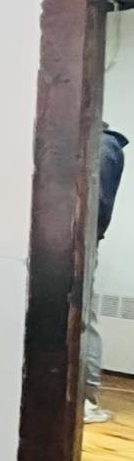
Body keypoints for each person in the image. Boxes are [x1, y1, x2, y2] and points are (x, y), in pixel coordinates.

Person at [85, 124, 126, 424]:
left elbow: (94, 206)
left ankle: (86, 400)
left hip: (78, 243)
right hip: (77, 242)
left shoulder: (102, 146)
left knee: (81, 319)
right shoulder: (101, 145)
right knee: (81, 318)